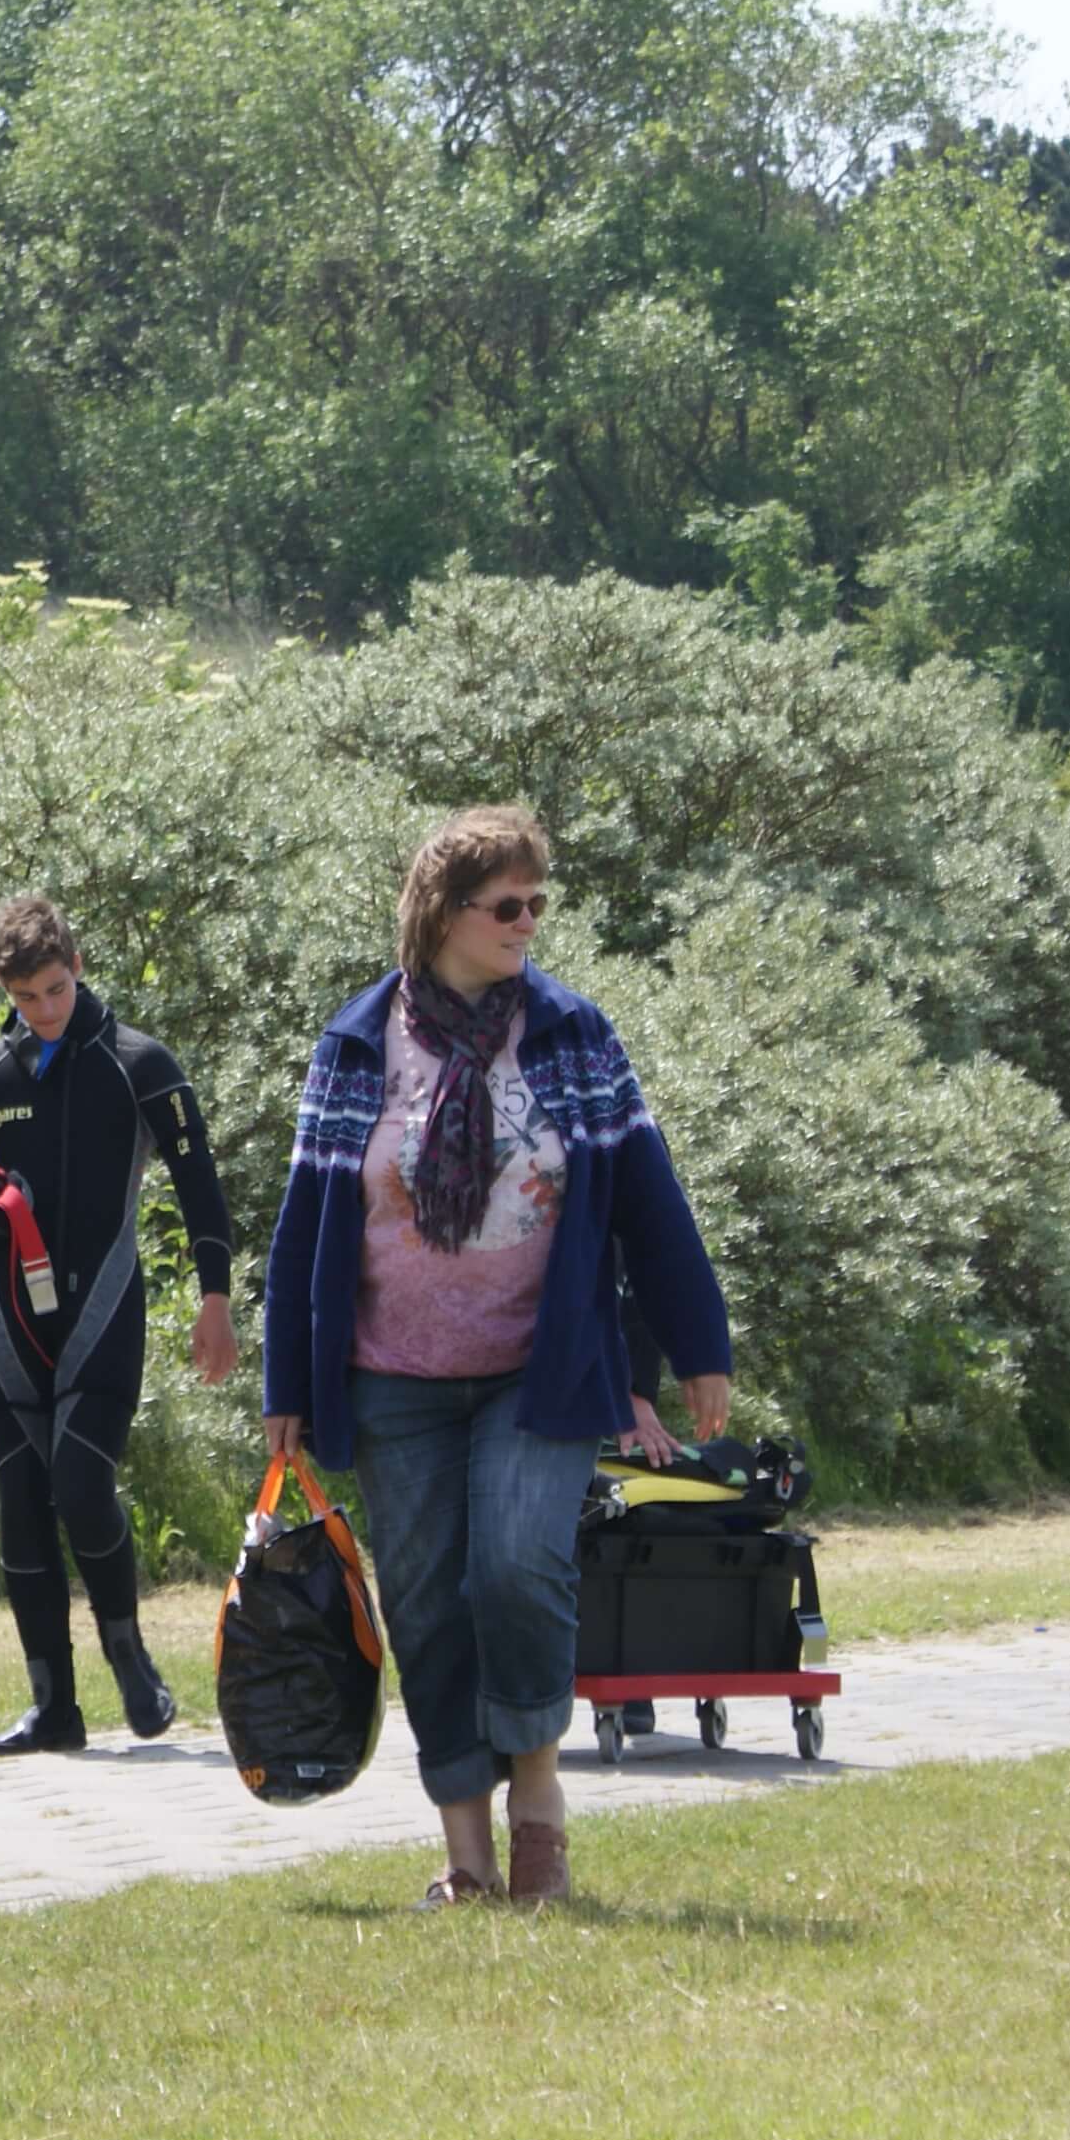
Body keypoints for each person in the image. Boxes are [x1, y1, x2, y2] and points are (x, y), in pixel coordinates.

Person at [258, 805, 732, 1909]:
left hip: (540, 1367)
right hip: (391, 1378)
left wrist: (696, 1344)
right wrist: (289, 1381)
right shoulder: (356, 1042)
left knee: (516, 1572)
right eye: (506, 906)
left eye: (536, 905)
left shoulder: (571, 1037)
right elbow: (305, 1222)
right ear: (442, 912)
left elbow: (648, 1202)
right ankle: (464, 1856)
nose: (527, 924)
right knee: (426, 1604)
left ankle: (538, 1816)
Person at [0, 895, 237, 1754]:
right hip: (11, 1320)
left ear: (78, 966)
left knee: (81, 1482)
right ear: (4, 988)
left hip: (104, 1309)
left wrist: (217, 1300)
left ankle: (131, 1660)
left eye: (56, 989)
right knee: (21, 1502)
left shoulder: (139, 1063)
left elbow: (200, 1185)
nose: (45, 1010)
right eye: (25, 998)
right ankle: (52, 1707)